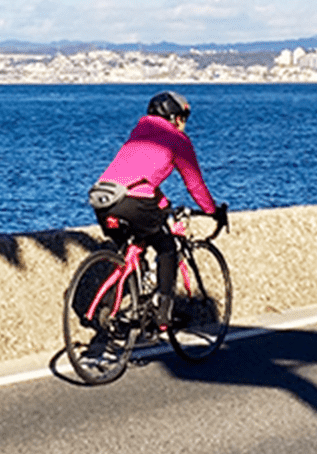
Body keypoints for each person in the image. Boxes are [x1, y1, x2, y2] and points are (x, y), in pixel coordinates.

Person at [88, 91, 226, 332]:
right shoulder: (177, 140)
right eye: (183, 117)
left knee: (132, 251)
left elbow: (141, 180)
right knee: (166, 246)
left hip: (103, 199)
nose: (184, 123)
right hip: (134, 202)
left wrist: (163, 204)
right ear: (174, 117)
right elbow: (194, 184)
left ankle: (109, 308)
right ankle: (164, 313)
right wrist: (213, 211)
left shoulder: (139, 132)